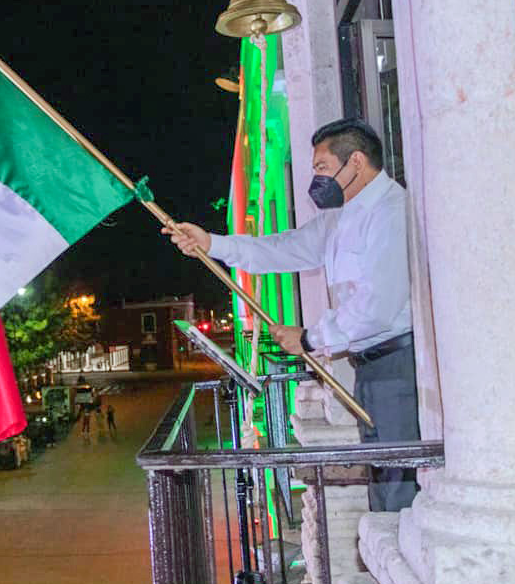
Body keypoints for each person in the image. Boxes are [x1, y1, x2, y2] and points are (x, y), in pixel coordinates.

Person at [164, 118, 419, 512]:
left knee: (399, 482)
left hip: (395, 366)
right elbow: (280, 249)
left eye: (320, 167)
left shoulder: (389, 210)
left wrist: (311, 338)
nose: (315, 178)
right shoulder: (340, 217)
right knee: (382, 477)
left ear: (355, 162)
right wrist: (211, 243)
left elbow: (379, 305)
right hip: (368, 367)